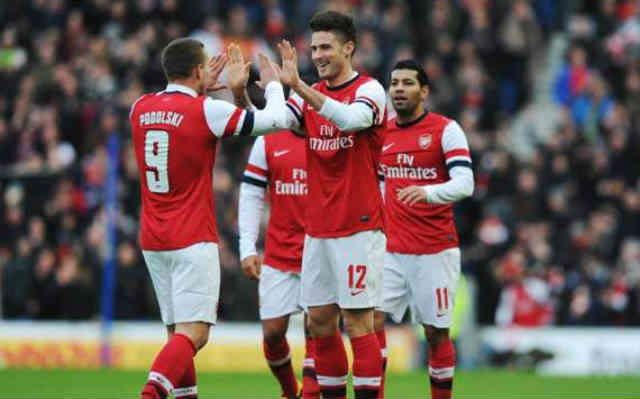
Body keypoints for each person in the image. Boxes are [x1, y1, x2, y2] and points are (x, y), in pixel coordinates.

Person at [129, 38, 287, 399]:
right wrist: (273, 83)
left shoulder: (139, 107)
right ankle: (152, 393)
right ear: (200, 71)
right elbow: (275, 120)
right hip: (191, 237)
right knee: (195, 333)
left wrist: (201, 88)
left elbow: (177, 111)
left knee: (177, 336)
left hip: (154, 239)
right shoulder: (206, 111)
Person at [276, 10, 387, 399]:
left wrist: (301, 88)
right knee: (319, 322)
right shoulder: (305, 94)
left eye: (326, 47)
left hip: (358, 225)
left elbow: (348, 121)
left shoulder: (370, 90)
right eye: (314, 47)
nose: (318, 54)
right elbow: (274, 122)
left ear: (349, 48)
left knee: (358, 322)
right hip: (318, 227)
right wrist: (242, 94)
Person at [374, 60, 474, 399]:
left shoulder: (446, 130)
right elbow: (379, 185)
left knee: (436, 334)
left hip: (434, 251)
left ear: (424, 91)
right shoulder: (382, 133)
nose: (399, 89)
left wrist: (428, 192)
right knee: (367, 321)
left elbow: (465, 183)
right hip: (390, 250)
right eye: (394, 83)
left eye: (407, 83)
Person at [238, 129, 320, 399]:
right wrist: (247, 248)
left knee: (317, 332)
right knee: (273, 334)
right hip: (279, 254)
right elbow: (251, 193)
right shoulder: (269, 140)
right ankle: (290, 391)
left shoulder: (331, 135)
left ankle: (311, 393)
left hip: (321, 253)